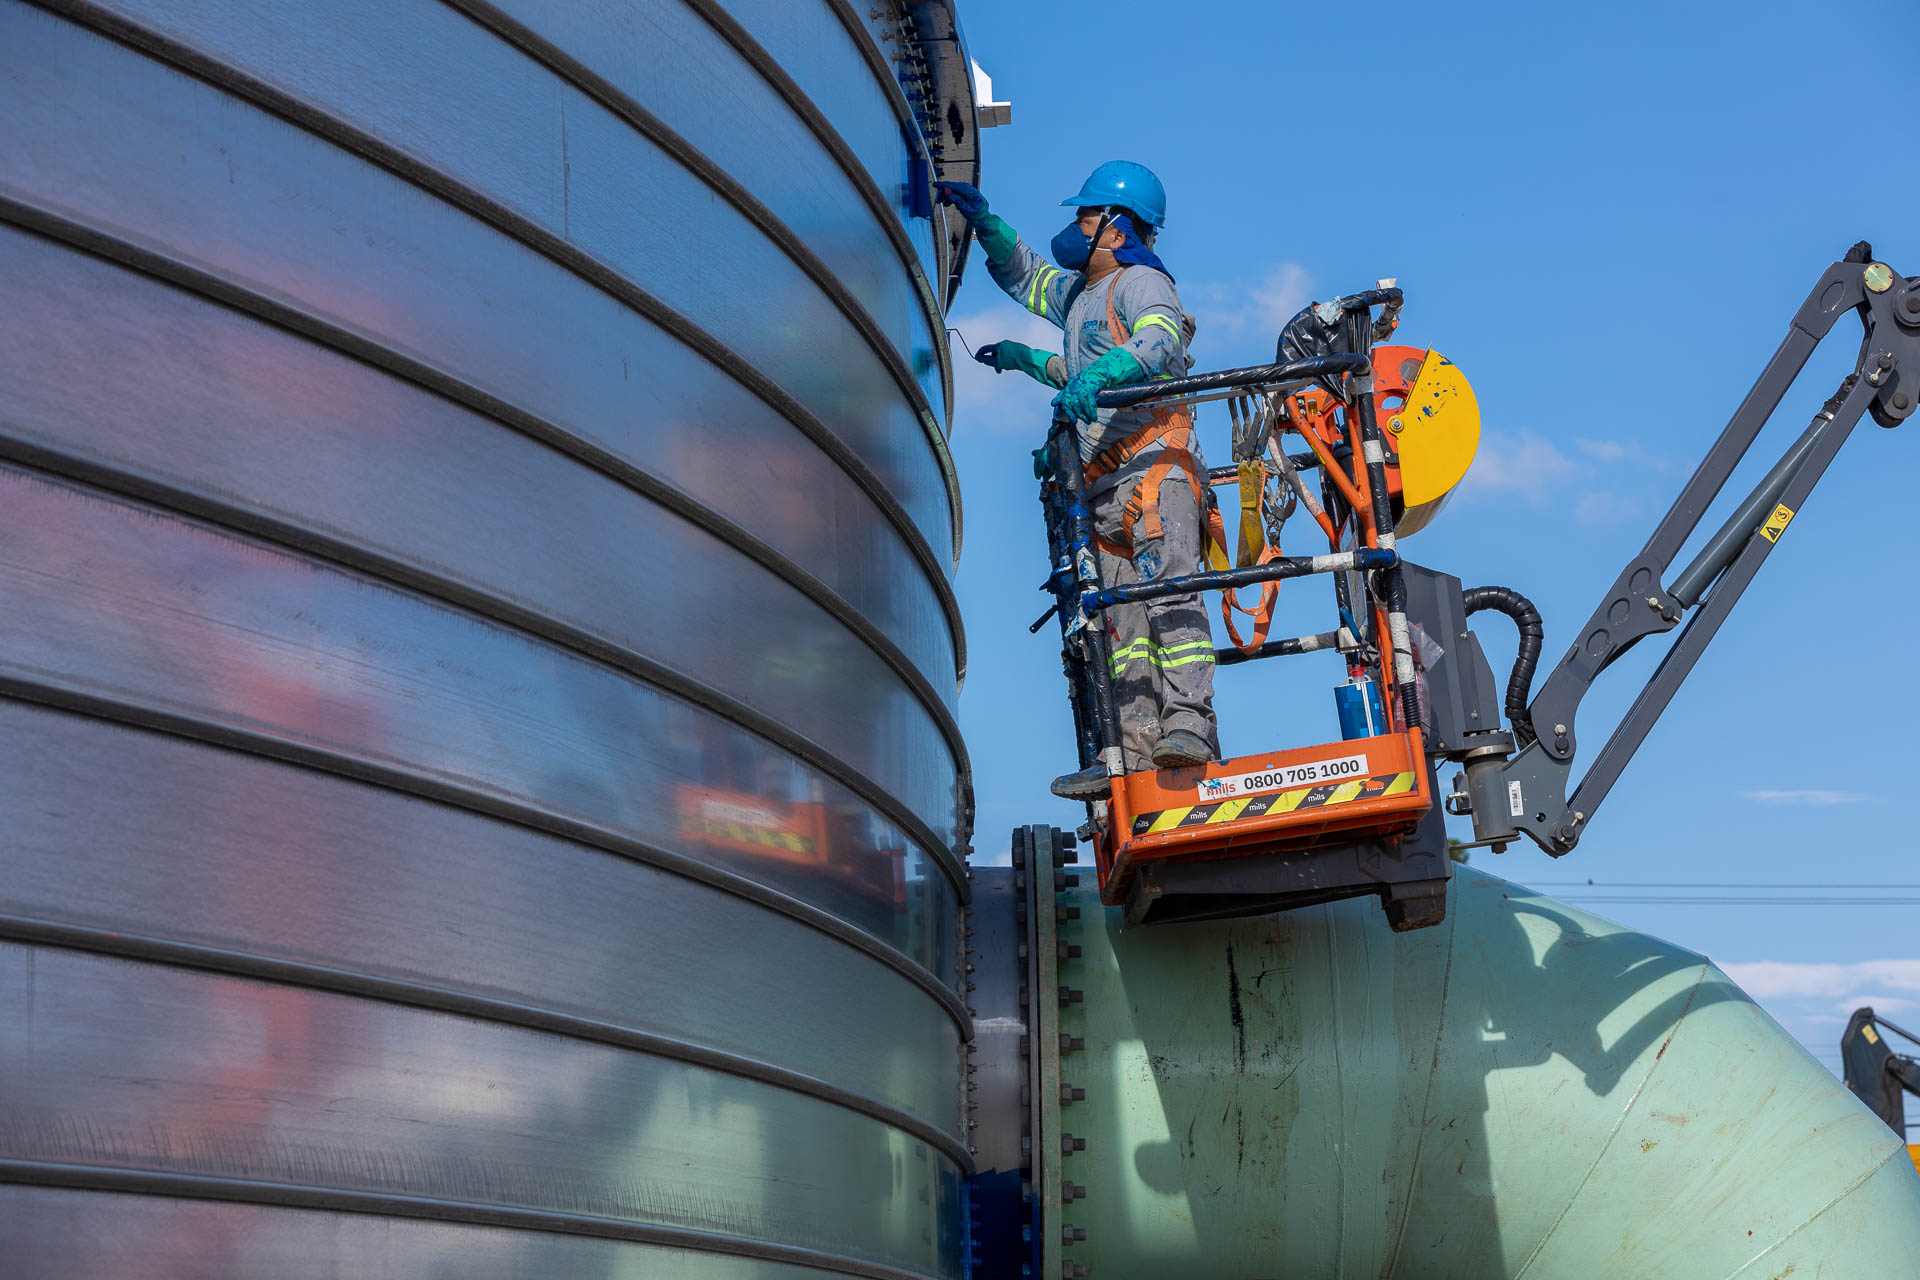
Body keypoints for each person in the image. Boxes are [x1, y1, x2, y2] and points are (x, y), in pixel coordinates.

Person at [937, 162, 1218, 798]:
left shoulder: (1142, 282)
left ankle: (1190, 728)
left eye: (1085, 217)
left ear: (1116, 229)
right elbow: (1034, 283)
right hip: (1101, 484)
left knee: (1171, 596)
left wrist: (1097, 376)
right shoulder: (1082, 297)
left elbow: (1161, 337)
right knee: (1121, 625)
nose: (1075, 227)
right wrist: (986, 227)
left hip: (1152, 470)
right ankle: (1137, 750)